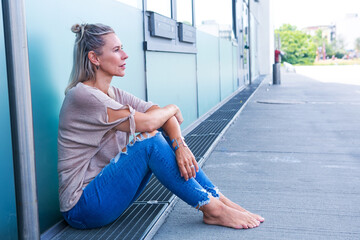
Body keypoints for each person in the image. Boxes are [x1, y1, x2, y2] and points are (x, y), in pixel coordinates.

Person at [58, 23, 264, 230]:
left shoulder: (113, 93)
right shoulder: (83, 96)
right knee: (150, 141)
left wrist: (180, 145)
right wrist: (173, 107)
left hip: (106, 195)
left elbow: (161, 117)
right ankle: (214, 210)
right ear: (94, 58)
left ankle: (218, 200)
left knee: (159, 133)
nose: (125, 55)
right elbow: (150, 122)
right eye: (116, 50)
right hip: (82, 207)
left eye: (122, 48)